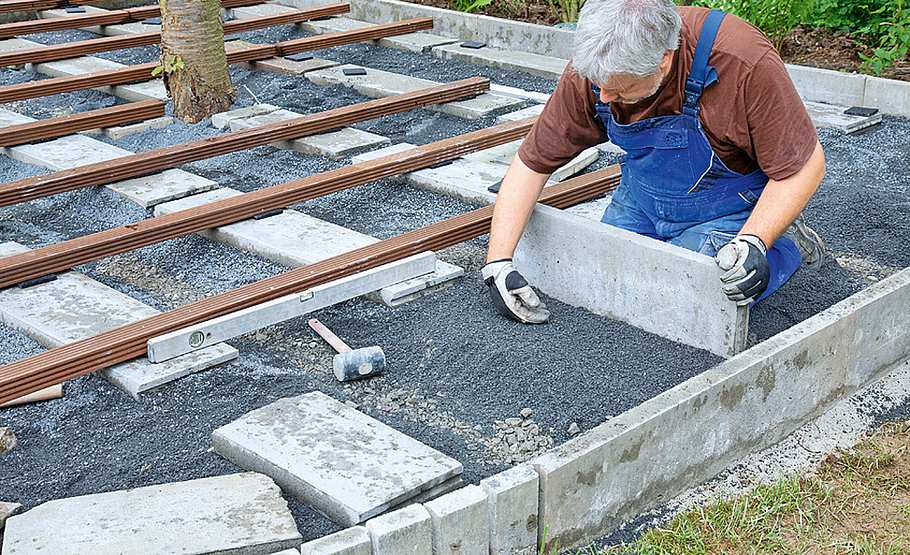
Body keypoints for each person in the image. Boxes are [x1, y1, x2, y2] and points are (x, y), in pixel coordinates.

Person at [482, 0, 827, 324]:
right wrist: (498, 264)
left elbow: (806, 166)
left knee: (692, 298)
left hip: (730, 205)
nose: (605, 97)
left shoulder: (742, 62)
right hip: (643, 199)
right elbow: (532, 164)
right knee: (604, 277)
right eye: (599, 86)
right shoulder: (598, 65)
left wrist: (754, 241)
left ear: (664, 60)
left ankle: (782, 243)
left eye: (620, 90)